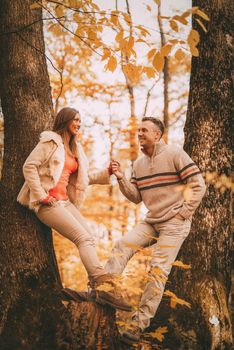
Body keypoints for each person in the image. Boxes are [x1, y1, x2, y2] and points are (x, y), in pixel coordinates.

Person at [17, 107, 131, 312]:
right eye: (75, 120)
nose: (79, 123)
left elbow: (84, 179)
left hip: (65, 202)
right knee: (83, 239)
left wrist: (108, 172)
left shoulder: (76, 149)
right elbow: (29, 166)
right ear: (65, 120)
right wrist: (41, 195)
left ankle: (96, 289)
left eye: (80, 120)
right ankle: (102, 286)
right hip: (48, 204)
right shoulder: (50, 142)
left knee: (89, 237)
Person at [105, 117, 206, 344]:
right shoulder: (139, 164)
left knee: (157, 270)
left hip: (175, 222)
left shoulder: (174, 153)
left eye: (144, 130)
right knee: (122, 245)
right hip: (151, 221)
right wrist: (121, 179)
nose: (139, 133)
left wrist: (183, 212)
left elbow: (198, 184)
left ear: (157, 135)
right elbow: (135, 197)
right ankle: (103, 292)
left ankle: (138, 325)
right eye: (138, 130)